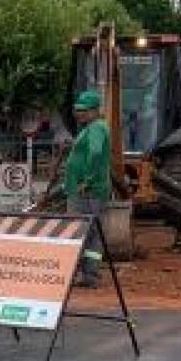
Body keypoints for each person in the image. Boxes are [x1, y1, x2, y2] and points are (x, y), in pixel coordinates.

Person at [65, 90, 112, 288]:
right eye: (77, 109)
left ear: (94, 111)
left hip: (87, 191)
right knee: (90, 233)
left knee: (80, 231)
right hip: (84, 188)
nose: (78, 113)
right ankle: (89, 275)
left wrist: (87, 180)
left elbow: (95, 153)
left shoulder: (96, 128)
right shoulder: (90, 128)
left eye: (83, 110)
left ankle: (83, 274)